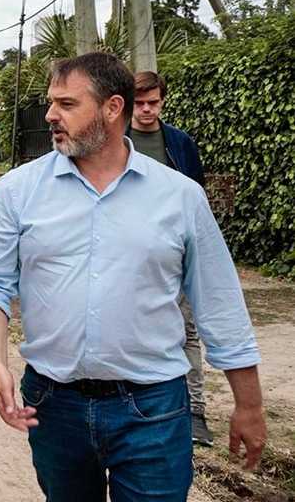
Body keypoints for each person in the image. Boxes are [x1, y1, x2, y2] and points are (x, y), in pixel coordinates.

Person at [0, 52, 266, 502]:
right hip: (54, 405)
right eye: (51, 102)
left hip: (153, 408)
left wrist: (249, 404)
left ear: (112, 108)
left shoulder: (180, 197)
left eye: (67, 104)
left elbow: (219, 302)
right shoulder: (15, 192)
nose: (50, 115)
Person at [128, 70, 212, 447]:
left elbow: (197, 199)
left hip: (175, 250)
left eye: (153, 102)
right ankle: (141, 406)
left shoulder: (180, 143)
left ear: (162, 102)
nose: (147, 110)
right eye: (139, 103)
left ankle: (195, 412)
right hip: (129, 253)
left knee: (187, 330)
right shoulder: (114, 141)